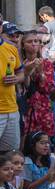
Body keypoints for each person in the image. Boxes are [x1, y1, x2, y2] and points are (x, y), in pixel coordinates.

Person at [0, 22, 25, 151]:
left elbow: (21, 73)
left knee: (10, 154)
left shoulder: (11, 48)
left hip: (11, 109)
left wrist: (16, 78)